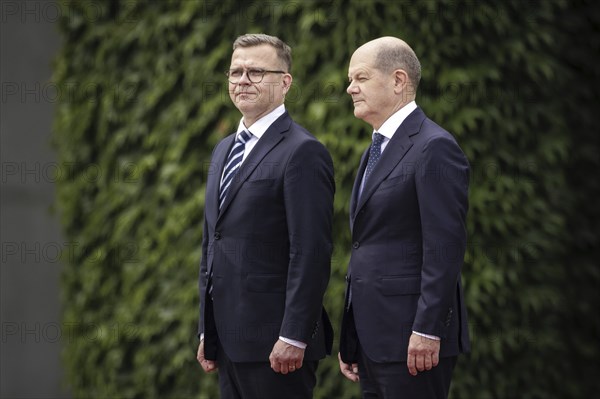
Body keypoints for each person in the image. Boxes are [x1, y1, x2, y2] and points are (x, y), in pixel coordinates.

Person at [196, 33, 334, 398]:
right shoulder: (223, 150)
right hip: (227, 343)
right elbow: (212, 243)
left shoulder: (303, 152)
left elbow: (311, 252)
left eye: (255, 72)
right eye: (235, 72)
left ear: (285, 83)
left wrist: (293, 335)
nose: (242, 81)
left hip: (277, 348)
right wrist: (205, 329)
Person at [338, 36, 471, 398]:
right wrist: (352, 334)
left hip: (414, 343)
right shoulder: (375, 150)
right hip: (372, 342)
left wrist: (428, 330)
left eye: (360, 78)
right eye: (351, 80)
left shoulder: (434, 147)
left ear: (398, 80)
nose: (350, 88)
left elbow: (444, 245)